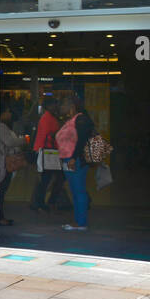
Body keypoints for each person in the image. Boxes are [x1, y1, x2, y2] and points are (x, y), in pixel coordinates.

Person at [57, 94, 96, 232]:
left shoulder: (80, 120)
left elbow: (81, 141)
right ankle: (78, 220)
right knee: (74, 190)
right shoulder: (73, 120)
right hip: (69, 159)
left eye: (63, 105)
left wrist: (74, 157)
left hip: (75, 160)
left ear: (71, 106)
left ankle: (81, 222)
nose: (61, 108)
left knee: (78, 190)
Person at [30, 96, 66, 214]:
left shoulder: (49, 117)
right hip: (47, 152)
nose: (56, 106)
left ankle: (42, 203)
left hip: (48, 152)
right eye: (54, 104)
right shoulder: (47, 118)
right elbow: (46, 135)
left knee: (48, 179)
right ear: (49, 106)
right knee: (49, 179)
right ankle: (42, 203)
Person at [0, 107, 22, 226]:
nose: (9, 114)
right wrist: (23, 140)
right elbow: (10, 142)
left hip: (0, 162)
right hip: (2, 162)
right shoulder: (0, 126)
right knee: (0, 189)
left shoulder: (0, 126)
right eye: (8, 111)